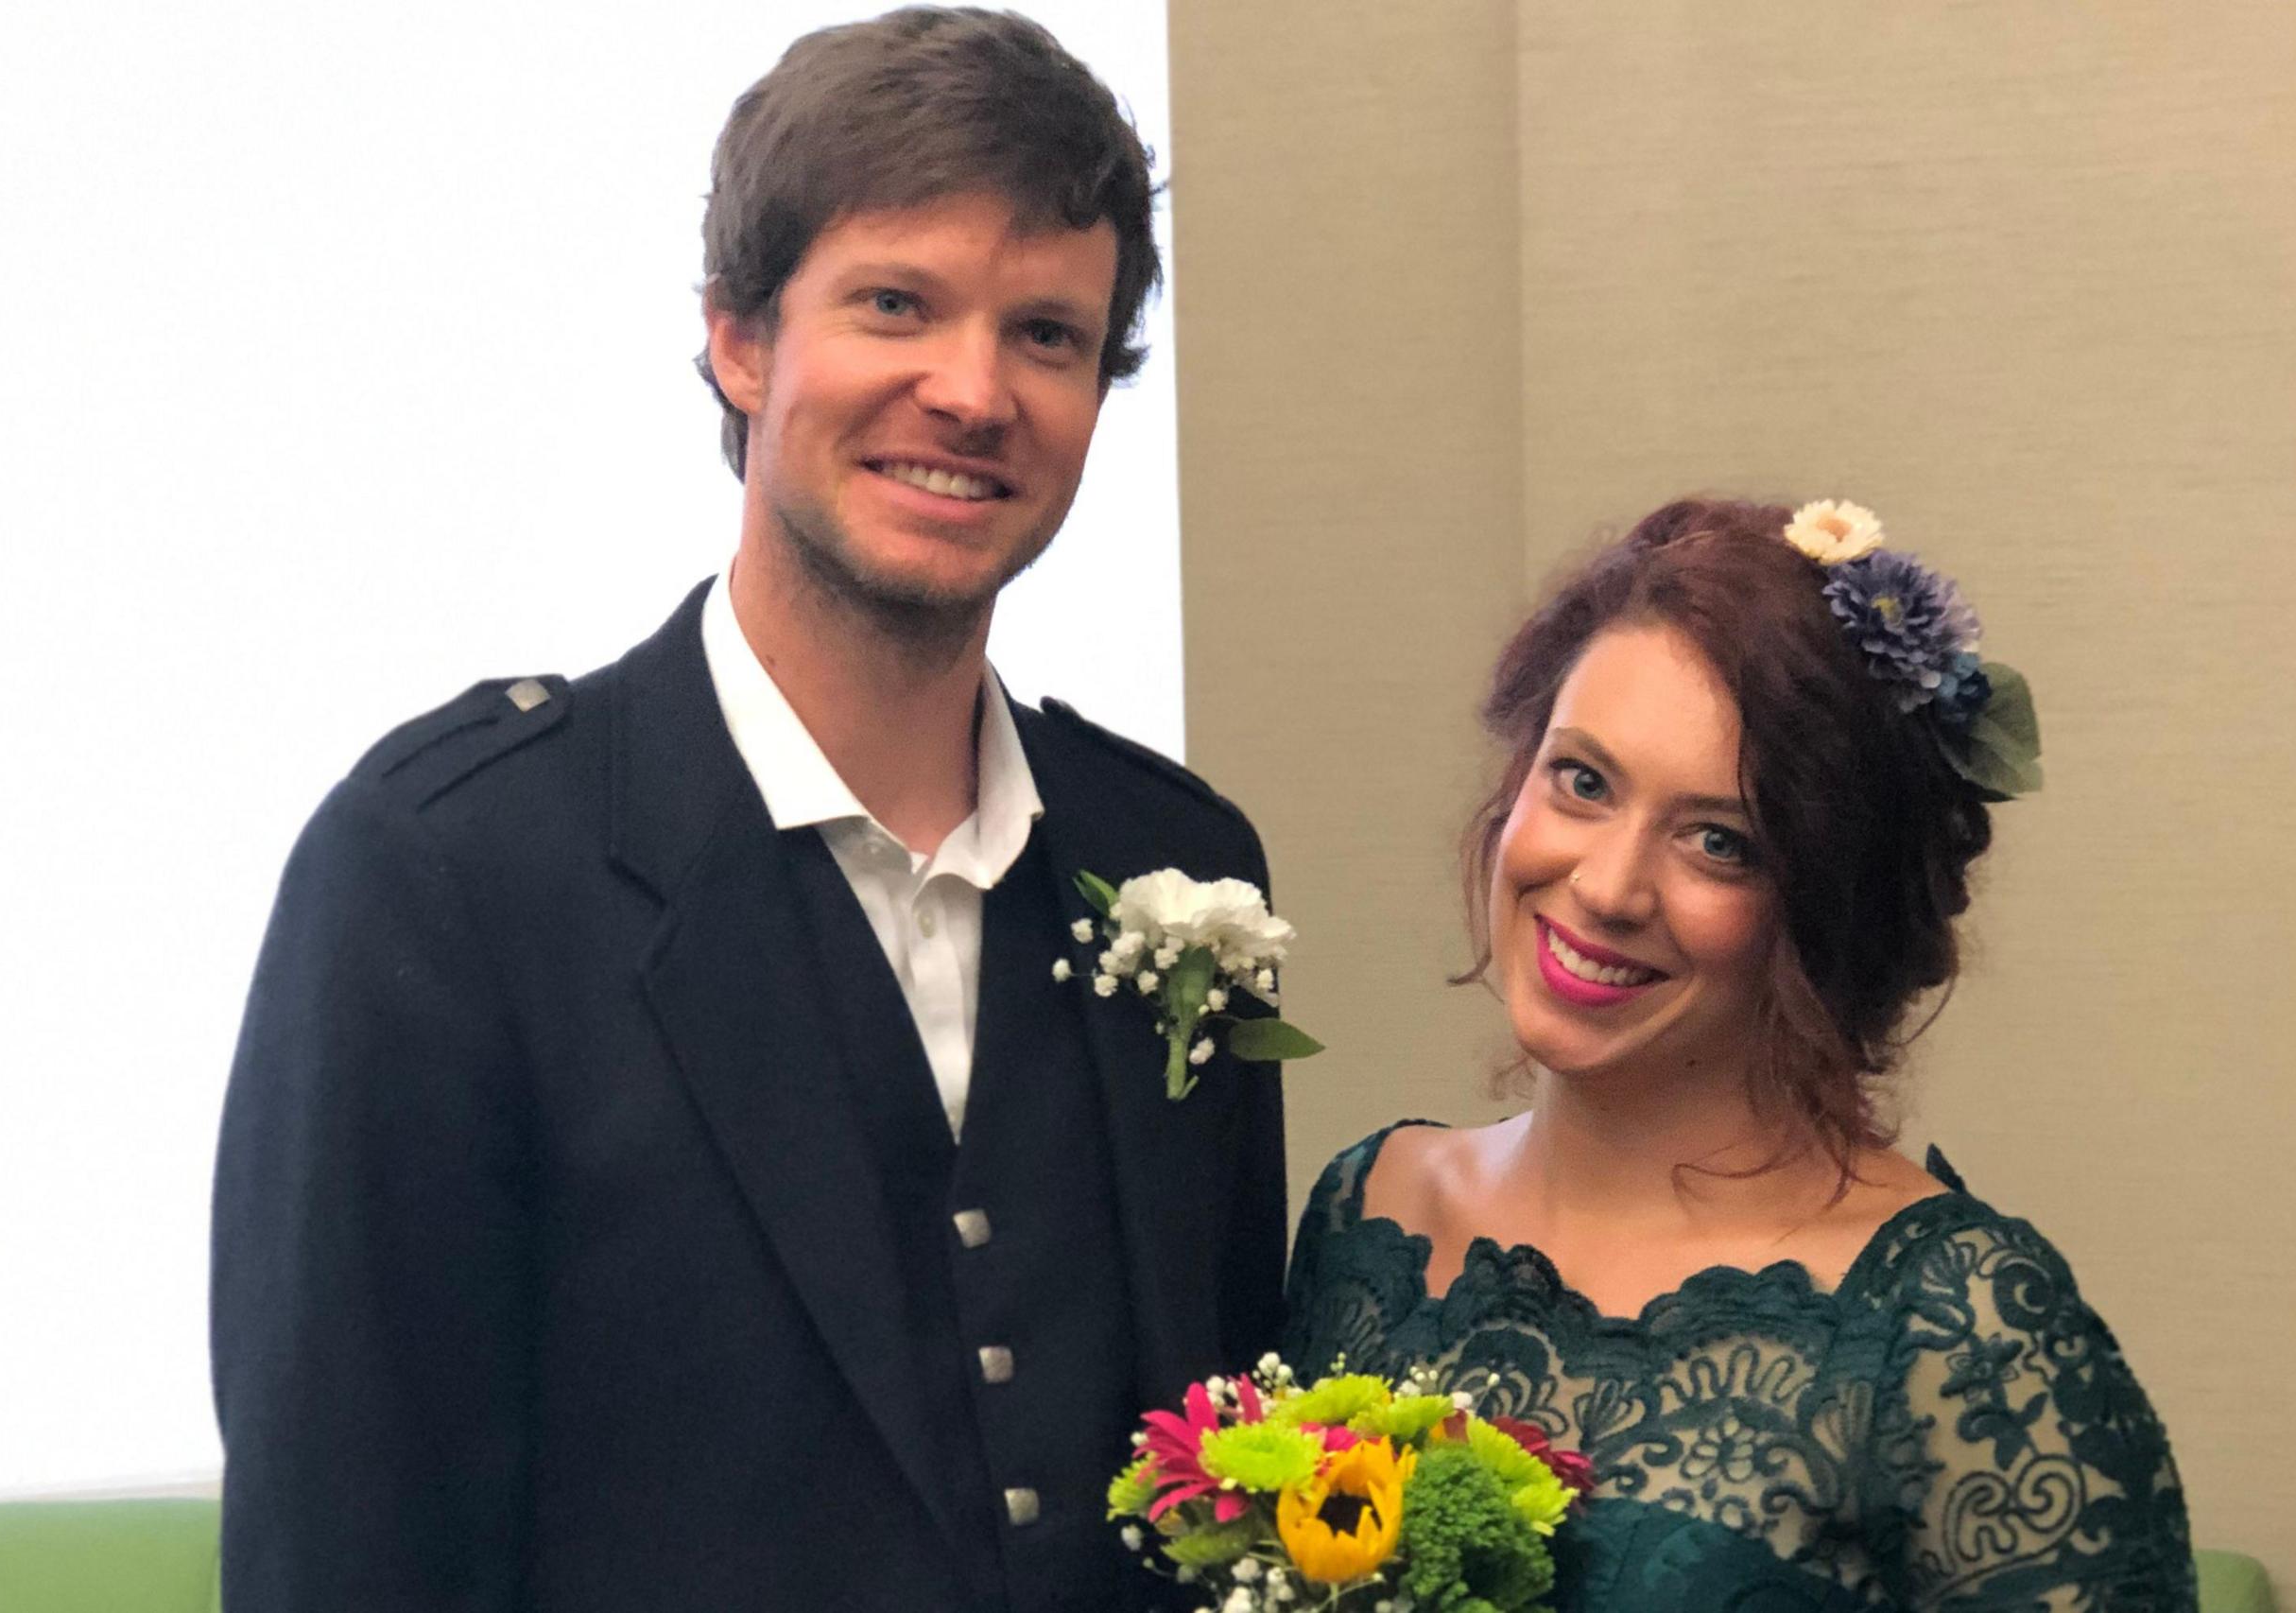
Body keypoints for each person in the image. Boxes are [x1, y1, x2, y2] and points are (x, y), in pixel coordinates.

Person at [211, 10, 1285, 1611]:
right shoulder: (442, 874)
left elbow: (1226, 1488)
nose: (974, 392)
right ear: (738, 336)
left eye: (1048, 336)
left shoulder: (1182, 866)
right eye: (895, 305)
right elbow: (347, 1552)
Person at [1282, 497, 2195, 1608]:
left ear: (1823, 907)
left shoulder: (1962, 1325)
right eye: (1582, 780)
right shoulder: (1367, 1213)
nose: (1609, 887)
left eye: (1719, 841)